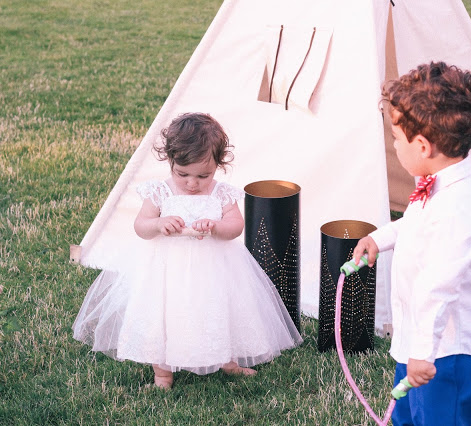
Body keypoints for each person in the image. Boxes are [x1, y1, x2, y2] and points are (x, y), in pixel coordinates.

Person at [73, 112, 302, 389]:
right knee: (165, 317)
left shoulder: (221, 194)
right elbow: (141, 226)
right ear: (170, 160)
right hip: (167, 272)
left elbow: (235, 226)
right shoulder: (160, 192)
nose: (192, 184)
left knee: (220, 310)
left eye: (202, 176)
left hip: (214, 270)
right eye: (183, 174)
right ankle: (163, 373)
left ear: (219, 165)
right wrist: (159, 223)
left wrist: (216, 226)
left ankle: (227, 360)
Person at [352, 62, 471, 425]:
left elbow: (440, 286)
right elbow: (416, 223)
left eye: (395, 138)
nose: (393, 144)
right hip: (419, 341)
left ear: (422, 145)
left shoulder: (458, 210)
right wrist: (380, 238)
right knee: (406, 415)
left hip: (446, 352)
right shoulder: (438, 183)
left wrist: (423, 352)